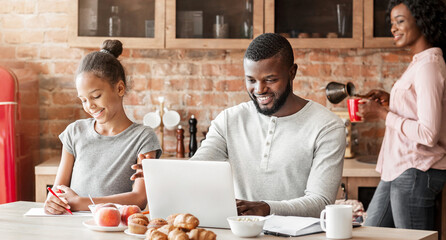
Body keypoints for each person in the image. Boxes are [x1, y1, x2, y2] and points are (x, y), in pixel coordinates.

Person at [132, 33, 346, 217]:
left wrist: (267, 208)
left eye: (270, 80)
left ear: (292, 73)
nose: (259, 89)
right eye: (251, 80)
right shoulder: (229, 120)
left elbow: (321, 202)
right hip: (241, 233)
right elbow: (198, 167)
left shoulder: (327, 126)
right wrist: (159, 172)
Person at [44, 40, 162, 214]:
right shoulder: (74, 132)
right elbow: (58, 190)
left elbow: (139, 198)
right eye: (83, 100)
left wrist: (81, 203)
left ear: (120, 88)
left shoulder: (143, 137)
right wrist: (53, 201)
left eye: (96, 96)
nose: (89, 106)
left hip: (116, 229)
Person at [359, 0, 446, 230]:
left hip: (417, 170)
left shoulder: (429, 65)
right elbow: (419, 107)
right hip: (399, 169)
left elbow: (428, 133)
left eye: (400, 21)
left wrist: (381, 113)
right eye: (392, 23)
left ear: (421, 21)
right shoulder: (420, 63)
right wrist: (393, 100)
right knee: (370, 233)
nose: (393, 28)